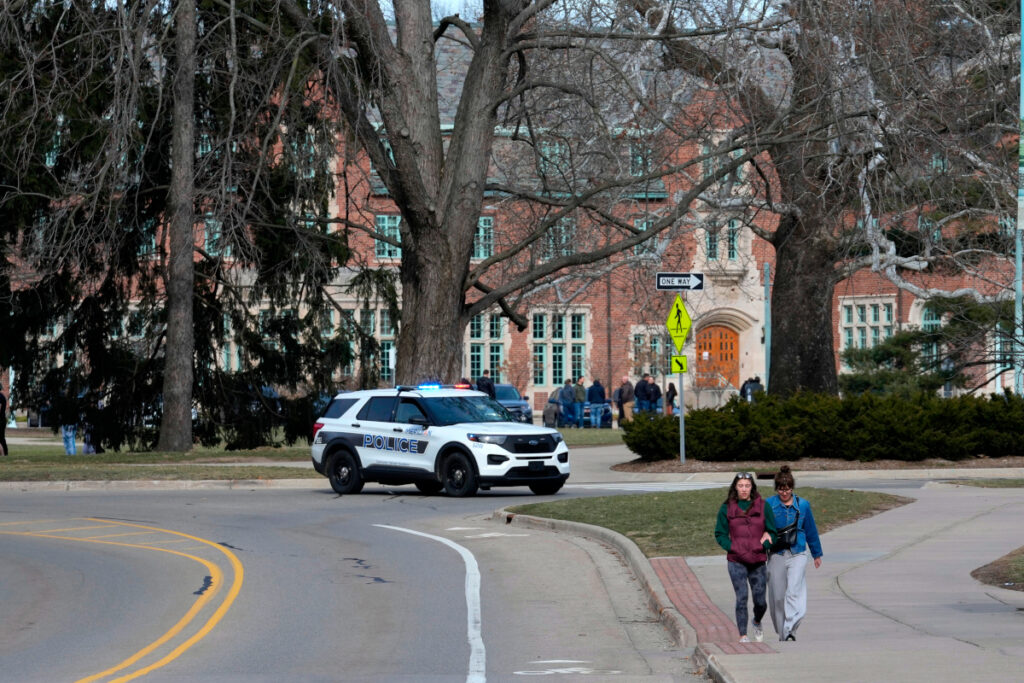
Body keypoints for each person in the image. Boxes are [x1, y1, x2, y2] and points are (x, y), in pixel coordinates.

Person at [715, 472, 777, 643]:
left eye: (747, 486)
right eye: (741, 485)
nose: (744, 489)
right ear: (735, 487)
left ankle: (756, 621)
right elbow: (720, 534)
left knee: (760, 601)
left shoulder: (763, 506)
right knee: (741, 597)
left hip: (757, 560)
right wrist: (732, 547)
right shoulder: (726, 507)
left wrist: (765, 544)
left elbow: (773, 532)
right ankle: (743, 635)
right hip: (736, 561)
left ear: (752, 487)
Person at [766, 465, 823, 642]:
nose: (785, 493)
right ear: (776, 489)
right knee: (777, 597)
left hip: (798, 552)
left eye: (788, 489)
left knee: (793, 592)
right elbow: (761, 528)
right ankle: (783, 632)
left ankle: (790, 629)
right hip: (776, 554)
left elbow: (811, 530)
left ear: (792, 488)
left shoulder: (803, 505)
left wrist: (816, 553)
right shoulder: (769, 504)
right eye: (781, 490)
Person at [0, 387, 8, 456]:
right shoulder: (2, 396)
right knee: (2, 438)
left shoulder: (0, 397)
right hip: (2, 419)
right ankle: (4, 453)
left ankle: (3, 454)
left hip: (0, 420)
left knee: (1, 439)